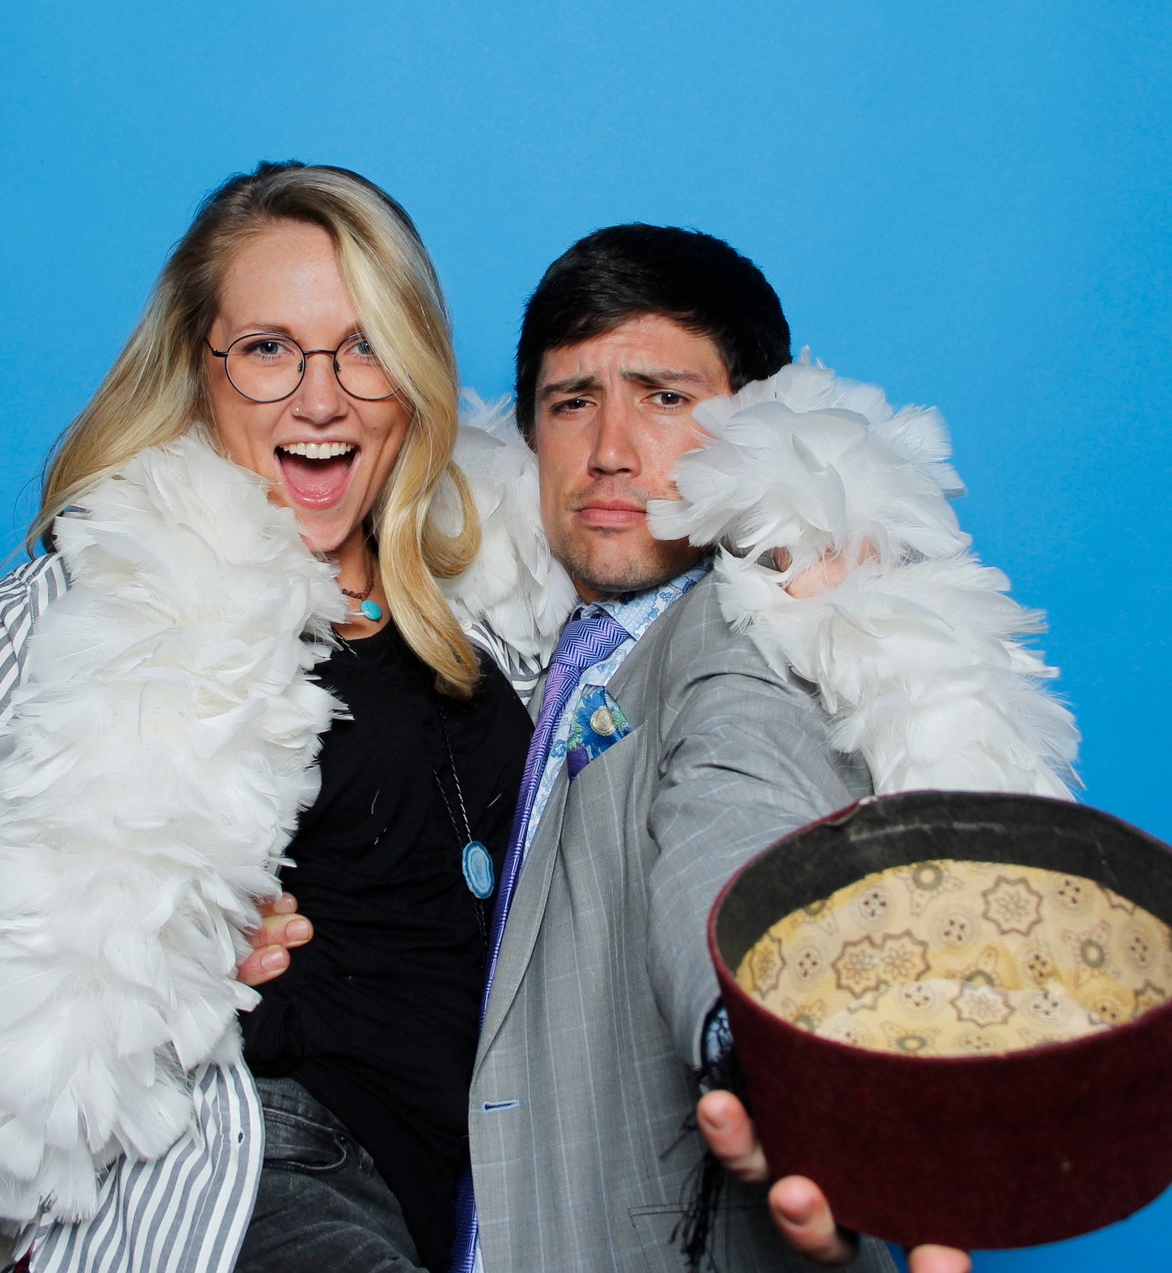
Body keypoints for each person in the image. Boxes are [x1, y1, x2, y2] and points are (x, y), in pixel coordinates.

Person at [0, 162, 568, 1273]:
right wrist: (109, 944)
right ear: (201, 373)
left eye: (364, 345)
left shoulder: (481, 601)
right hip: (251, 1174)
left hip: (467, 1205)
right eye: (268, 350)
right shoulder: (116, 588)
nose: (322, 397)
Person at [458, 224, 1071, 1273]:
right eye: (572, 402)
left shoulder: (758, 631)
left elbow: (737, 821)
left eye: (665, 397)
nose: (611, 448)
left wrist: (774, 1045)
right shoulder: (513, 656)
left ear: (763, 430)